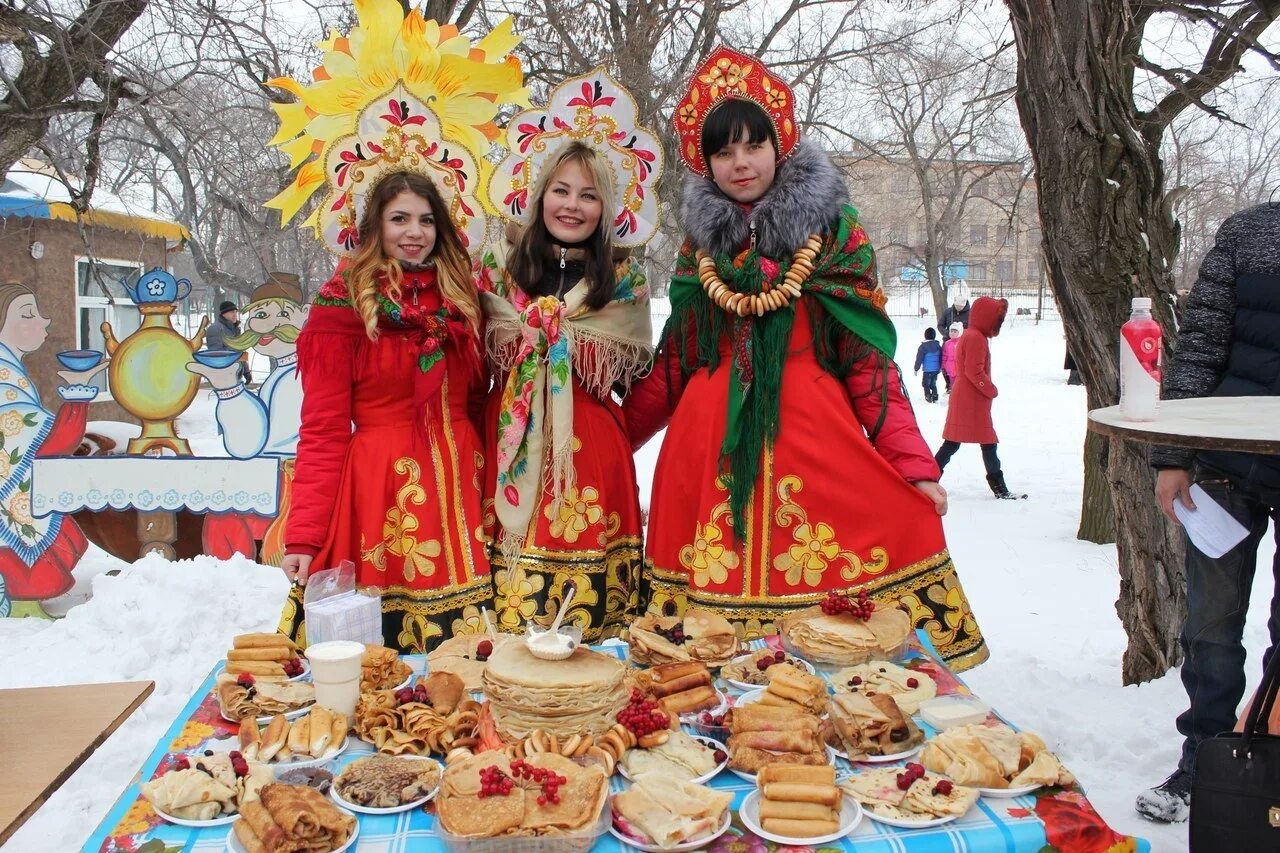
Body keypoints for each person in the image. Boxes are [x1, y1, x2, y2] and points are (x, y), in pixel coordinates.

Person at [625, 46, 988, 671]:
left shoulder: (836, 235)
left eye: (752, 145)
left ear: (779, 144)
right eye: (723, 152)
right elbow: (675, 365)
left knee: (825, 642)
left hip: (815, 443)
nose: (740, 163)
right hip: (705, 450)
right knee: (702, 660)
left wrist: (913, 463)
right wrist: (610, 437)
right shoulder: (698, 249)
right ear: (706, 162)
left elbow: (867, 364)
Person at [279, 172, 491, 652]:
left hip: (461, 486)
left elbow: (479, 403)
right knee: (374, 662)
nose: (414, 233)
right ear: (375, 226)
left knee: (472, 662)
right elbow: (323, 431)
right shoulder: (342, 304)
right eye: (399, 219)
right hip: (380, 494)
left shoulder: (463, 299)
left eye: (426, 220)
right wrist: (305, 536)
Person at [1136, 201, 1280, 824]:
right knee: (1211, 629)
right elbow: (1199, 349)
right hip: (1227, 465)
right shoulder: (1250, 232)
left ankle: (1267, 754)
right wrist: (1173, 455)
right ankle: (1204, 756)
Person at [478, 139, 654, 642]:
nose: (572, 205)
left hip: (590, 459)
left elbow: (636, 378)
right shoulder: (497, 268)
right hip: (507, 445)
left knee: (591, 638)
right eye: (561, 190)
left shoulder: (624, 281)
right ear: (539, 196)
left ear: (606, 209)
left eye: (589, 195)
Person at [0, 283, 107, 618]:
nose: (44, 321)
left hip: (23, 486)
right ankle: (19, 598)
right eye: (27, 314)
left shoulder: (13, 373)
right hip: (12, 493)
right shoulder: (3, 380)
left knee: (72, 542)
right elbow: (45, 441)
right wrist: (77, 395)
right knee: (49, 553)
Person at [190, 273, 308, 566]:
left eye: (282, 314)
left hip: (293, 480)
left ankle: (237, 578)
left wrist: (228, 388)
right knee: (225, 512)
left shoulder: (300, 376)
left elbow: (248, 443)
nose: (269, 324)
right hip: (280, 473)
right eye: (260, 314)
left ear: (305, 317)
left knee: (226, 514)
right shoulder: (285, 372)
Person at [934, 296, 1023, 500]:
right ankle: (1000, 489)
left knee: (955, 443)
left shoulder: (973, 335)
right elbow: (974, 372)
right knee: (984, 443)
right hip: (971, 399)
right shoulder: (975, 338)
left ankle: (928, 477)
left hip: (968, 398)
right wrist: (990, 389)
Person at [204, 301, 252, 385]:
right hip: (224, 376)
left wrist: (246, 371)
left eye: (235, 312)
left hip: (236, 374)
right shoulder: (215, 329)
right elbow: (216, 354)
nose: (234, 314)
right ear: (223, 314)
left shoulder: (235, 329)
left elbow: (239, 352)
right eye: (231, 312)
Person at [914, 327, 942, 403]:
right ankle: (935, 395)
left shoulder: (923, 347)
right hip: (936, 369)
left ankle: (928, 395)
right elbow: (941, 357)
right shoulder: (938, 346)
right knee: (933, 382)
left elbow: (919, 359)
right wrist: (941, 367)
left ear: (925, 336)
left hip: (927, 370)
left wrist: (916, 368)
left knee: (925, 383)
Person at [941, 321, 962, 393]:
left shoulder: (961, 342)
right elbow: (944, 355)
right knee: (952, 384)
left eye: (955, 331)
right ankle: (953, 397)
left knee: (960, 384)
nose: (952, 333)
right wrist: (944, 365)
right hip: (950, 367)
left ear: (959, 332)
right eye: (951, 331)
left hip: (959, 368)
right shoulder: (947, 343)